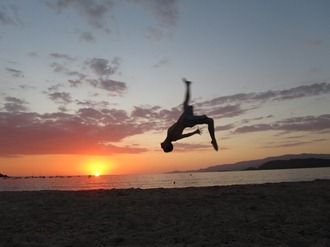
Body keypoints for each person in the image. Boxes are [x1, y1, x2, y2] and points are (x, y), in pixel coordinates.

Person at [161, 79, 218, 152]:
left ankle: (188, 85)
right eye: (164, 148)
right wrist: (184, 114)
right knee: (210, 121)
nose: (162, 147)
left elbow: (185, 135)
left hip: (186, 118)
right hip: (187, 120)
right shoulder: (172, 136)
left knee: (186, 102)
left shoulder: (172, 137)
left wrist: (195, 132)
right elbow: (179, 124)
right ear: (167, 145)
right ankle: (213, 140)